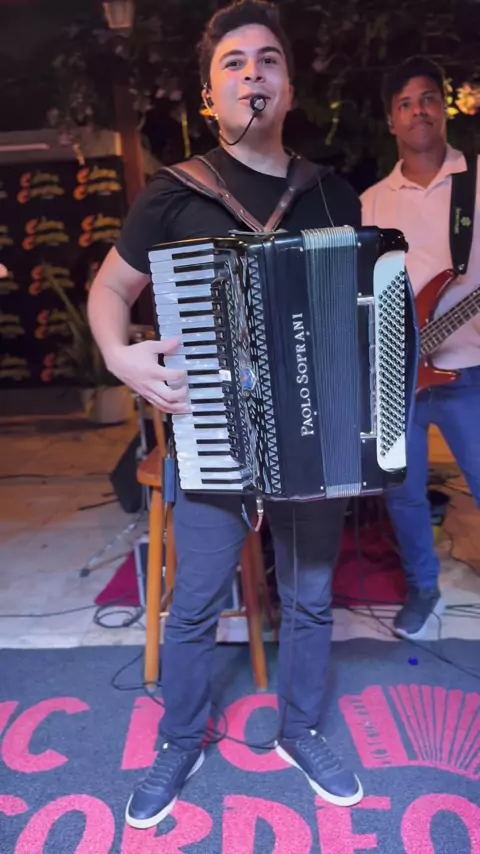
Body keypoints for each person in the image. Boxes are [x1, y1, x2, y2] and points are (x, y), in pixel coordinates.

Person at [88, 0, 364, 830]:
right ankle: (181, 738)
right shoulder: (174, 194)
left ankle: (301, 728)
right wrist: (121, 357)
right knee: (195, 603)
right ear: (211, 95)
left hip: (312, 439)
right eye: (234, 63)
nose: (253, 73)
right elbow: (110, 290)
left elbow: (354, 311)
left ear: (289, 85)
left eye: (268, 59)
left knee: (309, 597)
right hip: (210, 430)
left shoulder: (331, 195)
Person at [361, 57, 480, 640]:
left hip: (469, 371)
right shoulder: (370, 202)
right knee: (403, 495)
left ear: (444, 108)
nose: (418, 111)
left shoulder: (475, 182)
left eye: (428, 98)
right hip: (394, 379)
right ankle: (423, 589)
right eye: (405, 103)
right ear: (391, 120)